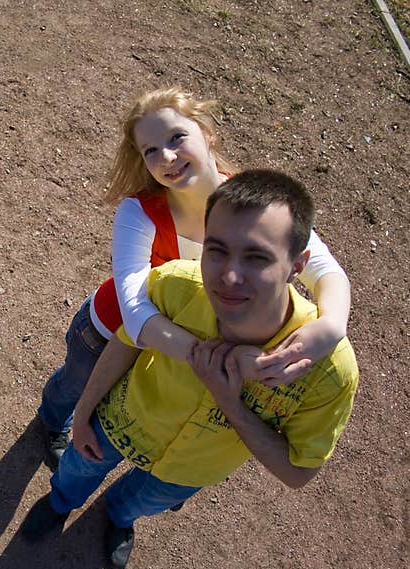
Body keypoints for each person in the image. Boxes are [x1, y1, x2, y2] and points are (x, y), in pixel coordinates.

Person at [20, 169, 359, 569]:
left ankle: (119, 518)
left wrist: (230, 403)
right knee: (78, 469)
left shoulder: (330, 372)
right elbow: (126, 342)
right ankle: (60, 502)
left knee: (139, 501)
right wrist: (85, 414)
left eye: (257, 257)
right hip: (119, 423)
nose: (229, 277)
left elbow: (298, 471)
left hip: (188, 471)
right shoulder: (177, 284)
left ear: (297, 265)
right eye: (216, 250)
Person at [37, 88, 352, 471]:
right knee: (74, 384)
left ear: (207, 133)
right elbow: (135, 312)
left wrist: (331, 327)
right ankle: (52, 422)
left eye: (176, 138)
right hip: (106, 331)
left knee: (128, 407)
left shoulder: (254, 202)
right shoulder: (138, 212)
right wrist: (225, 359)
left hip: (167, 350)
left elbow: (327, 272)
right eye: (150, 150)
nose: (166, 157)